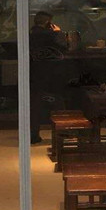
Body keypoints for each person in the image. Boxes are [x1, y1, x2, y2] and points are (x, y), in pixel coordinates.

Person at [29, 11, 67, 144]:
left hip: (35, 74)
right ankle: (61, 134)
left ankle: (33, 135)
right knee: (58, 104)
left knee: (35, 106)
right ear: (48, 22)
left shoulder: (31, 35)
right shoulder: (53, 35)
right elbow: (64, 47)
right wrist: (58, 32)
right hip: (52, 73)